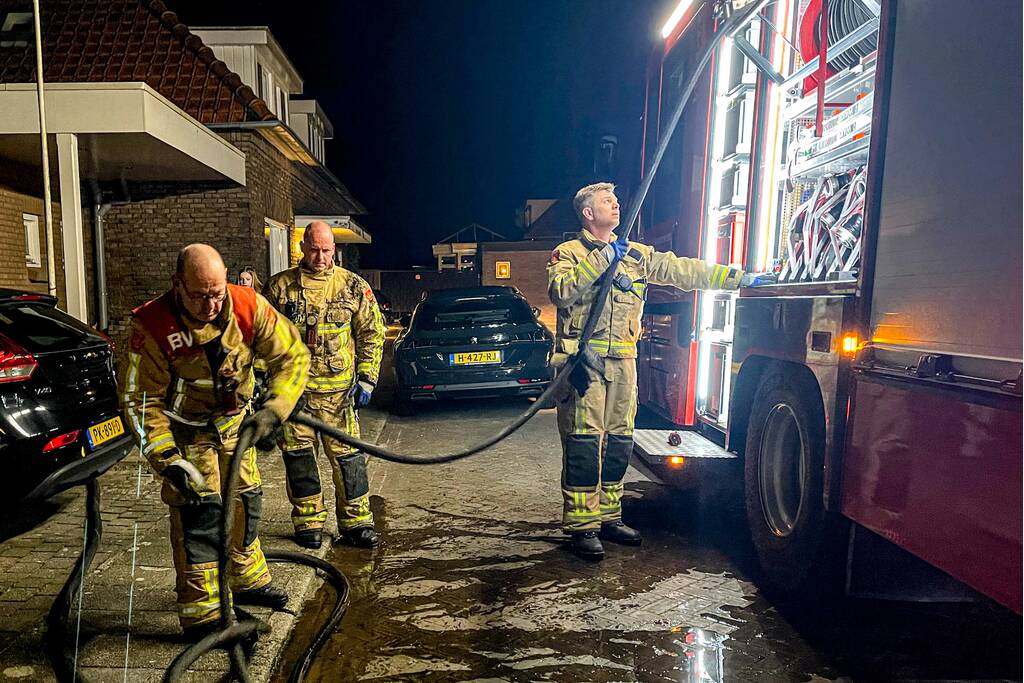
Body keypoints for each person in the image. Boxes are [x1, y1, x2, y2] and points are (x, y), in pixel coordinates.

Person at [547, 183, 770, 561]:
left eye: (616, 201)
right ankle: (581, 526)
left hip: (624, 363)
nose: (615, 205)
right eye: (606, 202)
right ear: (587, 213)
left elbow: (683, 270)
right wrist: (602, 259)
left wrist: (739, 279)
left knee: (619, 442)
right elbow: (561, 292)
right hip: (584, 365)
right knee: (584, 444)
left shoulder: (636, 255)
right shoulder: (567, 253)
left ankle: (609, 516)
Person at [119, 244, 310, 639]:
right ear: (178, 285)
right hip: (186, 435)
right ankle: (203, 613)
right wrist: (166, 459)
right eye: (200, 295)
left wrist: (275, 408)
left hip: (235, 427)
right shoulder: (153, 327)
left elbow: (293, 356)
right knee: (200, 517)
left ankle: (247, 578)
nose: (210, 304)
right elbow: (139, 400)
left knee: (246, 500)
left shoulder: (247, 306)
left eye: (217, 293)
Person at [264, 221, 386, 550]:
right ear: (302, 247)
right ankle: (309, 522)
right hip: (295, 397)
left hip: (340, 397)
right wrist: (265, 388)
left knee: (350, 462)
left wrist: (367, 377)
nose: (321, 256)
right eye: (315, 249)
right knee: (300, 460)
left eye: (327, 250)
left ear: (336, 250)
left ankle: (356, 522)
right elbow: (261, 340)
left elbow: (372, 333)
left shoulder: (353, 287)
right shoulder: (279, 289)